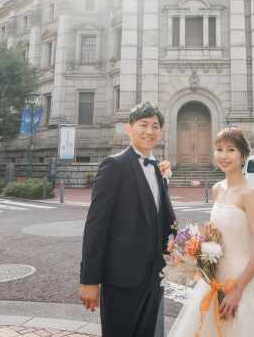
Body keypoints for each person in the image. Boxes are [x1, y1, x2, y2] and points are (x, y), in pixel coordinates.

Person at [168, 127, 254, 336]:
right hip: (215, 278)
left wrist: (238, 288)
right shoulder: (217, 189)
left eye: (230, 150)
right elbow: (216, 235)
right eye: (219, 149)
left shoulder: (249, 194)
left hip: (244, 280)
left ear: (243, 155)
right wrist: (197, 252)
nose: (223, 155)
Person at [79, 102, 177, 337]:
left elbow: (163, 218)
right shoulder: (114, 165)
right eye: (143, 125)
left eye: (155, 126)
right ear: (128, 128)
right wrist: (89, 281)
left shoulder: (158, 168)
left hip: (154, 276)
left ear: (161, 132)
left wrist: (179, 250)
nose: (149, 131)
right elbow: (96, 226)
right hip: (121, 277)